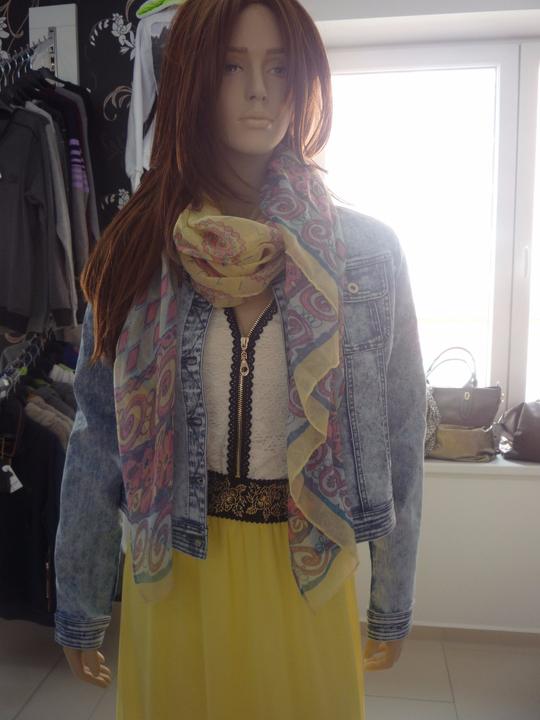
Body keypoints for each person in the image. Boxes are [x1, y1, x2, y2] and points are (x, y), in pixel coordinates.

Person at [53, 1, 427, 718]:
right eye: (232, 66)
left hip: (307, 570)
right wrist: (80, 601)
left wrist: (392, 597)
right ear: (193, 79)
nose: (260, 90)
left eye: (279, 68)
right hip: (175, 569)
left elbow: (401, 433)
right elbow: (97, 437)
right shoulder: (139, 251)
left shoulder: (365, 257)